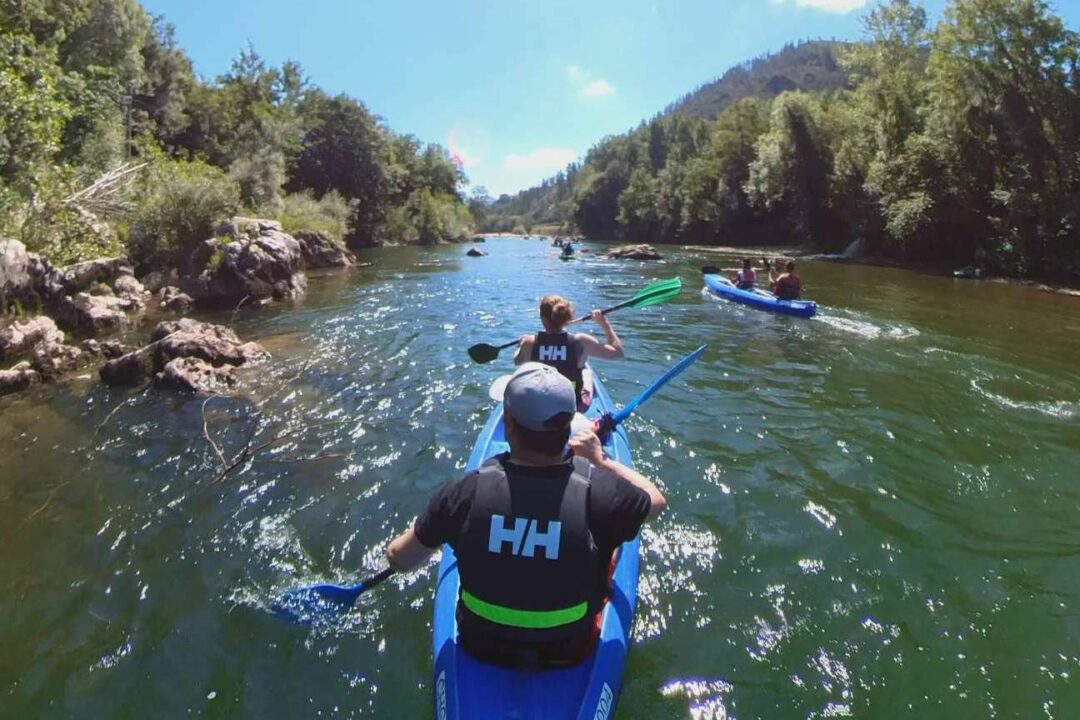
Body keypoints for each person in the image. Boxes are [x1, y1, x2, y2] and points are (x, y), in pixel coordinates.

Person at [386, 363, 666, 667]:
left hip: (480, 647)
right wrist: (602, 461)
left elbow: (401, 560)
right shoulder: (602, 493)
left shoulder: (462, 494)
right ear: (569, 428)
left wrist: (426, 534)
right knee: (612, 543)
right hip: (569, 650)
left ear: (508, 425)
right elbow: (656, 502)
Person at [513, 295, 623, 411]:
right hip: (572, 405)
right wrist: (604, 323)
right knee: (587, 372)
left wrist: (522, 344)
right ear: (567, 317)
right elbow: (617, 353)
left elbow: (517, 361)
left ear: (542, 318)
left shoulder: (530, 342)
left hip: (540, 403)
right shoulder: (581, 341)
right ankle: (587, 376)